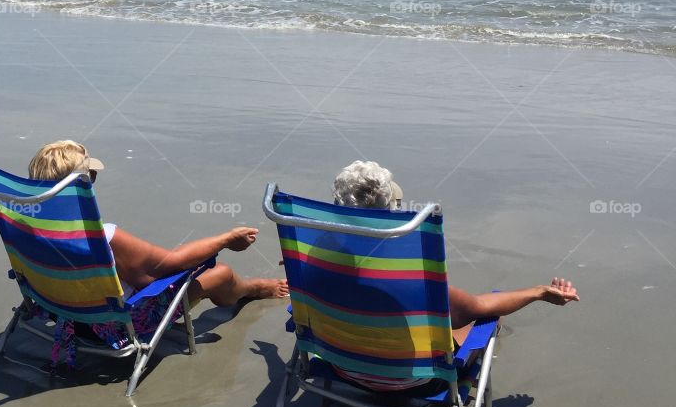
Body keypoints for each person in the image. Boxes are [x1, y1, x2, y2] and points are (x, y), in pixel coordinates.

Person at [332, 160, 580, 339]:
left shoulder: (314, 259)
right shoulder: (409, 273)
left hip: (341, 368)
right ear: (391, 215)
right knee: (491, 317)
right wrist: (538, 292)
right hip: (408, 381)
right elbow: (478, 307)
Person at [29, 139, 288, 306]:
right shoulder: (100, 236)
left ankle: (249, 286)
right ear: (81, 187)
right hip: (115, 323)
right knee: (221, 273)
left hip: (61, 309)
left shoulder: (24, 226)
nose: (94, 179)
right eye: (91, 176)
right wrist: (226, 239)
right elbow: (162, 269)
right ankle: (252, 288)